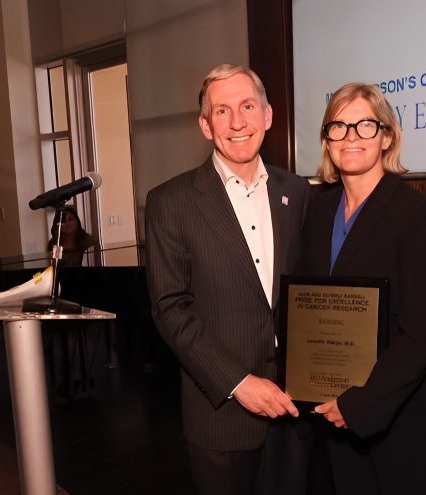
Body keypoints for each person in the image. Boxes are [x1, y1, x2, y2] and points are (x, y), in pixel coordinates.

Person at [144, 64, 311, 495]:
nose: (237, 122)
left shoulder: (298, 193)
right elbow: (170, 309)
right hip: (221, 417)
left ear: (268, 115)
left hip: (295, 409)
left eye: (247, 106)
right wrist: (239, 383)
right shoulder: (170, 202)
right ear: (205, 125)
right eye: (222, 111)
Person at [300, 83, 426, 494]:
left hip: (405, 415)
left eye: (365, 126)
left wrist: (359, 404)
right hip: (335, 408)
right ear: (326, 140)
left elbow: (424, 332)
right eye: (338, 126)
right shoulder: (316, 211)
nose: (351, 137)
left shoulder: (420, 214)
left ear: (387, 136)